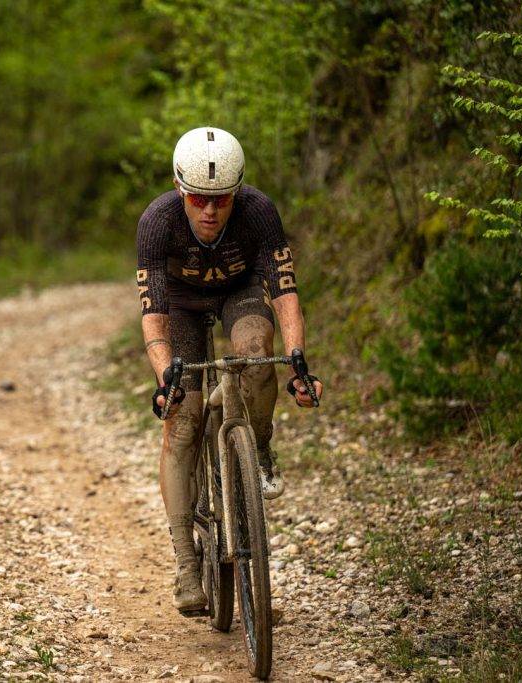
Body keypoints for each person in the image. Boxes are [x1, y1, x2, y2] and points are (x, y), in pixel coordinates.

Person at [136, 126, 323, 614]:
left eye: (221, 199)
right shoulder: (158, 222)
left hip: (239, 293)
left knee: (258, 354)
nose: (210, 211)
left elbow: (284, 291)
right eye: (199, 199)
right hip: (180, 306)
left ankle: (258, 446)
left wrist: (299, 362)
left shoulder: (259, 212)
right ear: (181, 189)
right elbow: (152, 315)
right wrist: (165, 378)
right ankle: (185, 565)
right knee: (184, 420)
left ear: (237, 191)